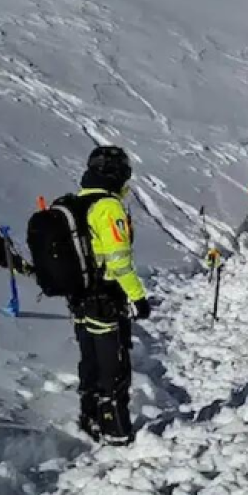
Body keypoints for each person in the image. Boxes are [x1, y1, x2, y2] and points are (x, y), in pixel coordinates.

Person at [70, 146, 151, 446]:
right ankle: (115, 430)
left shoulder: (76, 202)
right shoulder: (108, 207)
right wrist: (138, 297)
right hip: (105, 297)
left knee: (89, 361)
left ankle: (88, 418)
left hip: (78, 299)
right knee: (113, 366)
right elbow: (118, 261)